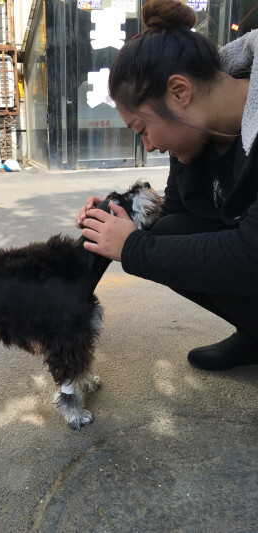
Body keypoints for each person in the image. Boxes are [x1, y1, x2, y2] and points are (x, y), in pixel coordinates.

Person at [76, 0, 258, 371]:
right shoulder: (195, 132)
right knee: (170, 233)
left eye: (142, 129)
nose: (149, 145)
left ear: (179, 92)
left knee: (149, 250)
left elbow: (252, 255)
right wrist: (117, 215)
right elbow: (173, 216)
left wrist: (131, 247)